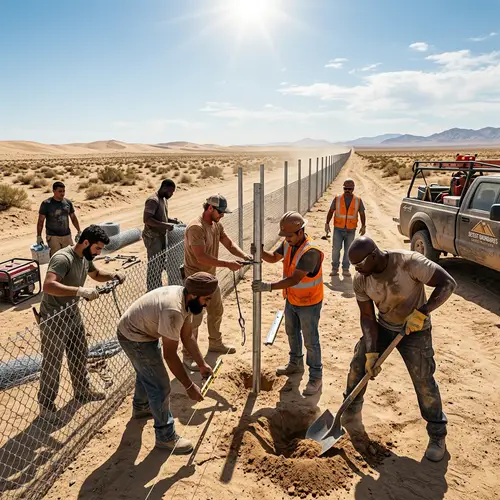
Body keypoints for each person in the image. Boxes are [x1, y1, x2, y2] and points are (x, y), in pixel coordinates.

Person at [342, 236, 457, 462]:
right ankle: (350, 412)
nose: (358, 271)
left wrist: (423, 311)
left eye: (360, 265)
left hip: (416, 330)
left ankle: (437, 434)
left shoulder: (410, 262)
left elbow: (448, 283)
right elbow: (366, 317)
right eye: (354, 267)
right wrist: (372, 351)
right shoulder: (361, 280)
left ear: (374, 255)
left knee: (423, 380)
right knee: (358, 364)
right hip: (384, 325)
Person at [117, 272, 218, 454]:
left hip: (144, 331)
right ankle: (165, 437)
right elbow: (170, 355)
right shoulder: (174, 310)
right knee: (161, 385)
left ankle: (141, 408)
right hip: (133, 335)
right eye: (206, 299)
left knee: (147, 372)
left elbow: (187, 337)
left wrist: (202, 364)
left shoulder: (187, 301)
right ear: (194, 295)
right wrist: (189, 386)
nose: (207, 304)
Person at [38, 225, 126, 424]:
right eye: (97, 248)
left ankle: (82, 391)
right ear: (86, 243)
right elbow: (49, 285)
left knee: (79, 354)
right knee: (52, 362)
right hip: (53, 317)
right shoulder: (63, 258)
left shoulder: (86, 258)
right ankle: (46, 405)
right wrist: (79, 291)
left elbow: (95, 275)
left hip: (72, 314)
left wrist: (113, 275)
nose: (99, 252)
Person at [252, 211, 324, 396]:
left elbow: (294, 279)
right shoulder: (288, 243)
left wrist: (268, 287)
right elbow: (273, 258)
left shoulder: (311, 252)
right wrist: (260, 251)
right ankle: (295, 364)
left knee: (310, 340)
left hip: (309, 302)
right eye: (284, 236)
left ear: (300, 232)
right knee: (291, 332)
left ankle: (316, 377)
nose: (287, 239)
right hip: (292, 299)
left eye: (290, 236)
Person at [182, 194, 252, 371]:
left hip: (211, 279)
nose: (222, 215)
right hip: (196, 281)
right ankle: (188, 356)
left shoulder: (216, 224)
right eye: (220, 212)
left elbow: (228, 243)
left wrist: (243, 256)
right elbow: (201, 256)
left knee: (216, 310)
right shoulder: (195, 228)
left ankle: (215, 343)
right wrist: (227, 264)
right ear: (210, 208)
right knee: (195, 319)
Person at [142, 179, 180, 291]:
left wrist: (173, 221)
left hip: (161, 236)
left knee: (160, 264)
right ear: (163, 188)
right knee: (154, 265)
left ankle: (156, 287)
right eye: (170, 192)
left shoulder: (163, 199)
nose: (171, 194)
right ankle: (152, 289)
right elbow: (147, 219)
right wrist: (166, 226)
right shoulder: (153, 200)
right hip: (153, 237)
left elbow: (162, 217)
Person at [324, 178, 366, 277]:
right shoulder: (337, 198)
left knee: (348, 250)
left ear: (353, 189)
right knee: (336, 249)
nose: (347, 190)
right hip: (338, 228)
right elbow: (331, 211)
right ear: (343, 188)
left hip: (351, 229)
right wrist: (327, 223)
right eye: (346, 188)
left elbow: (362, 213)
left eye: (350, 189)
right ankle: (335, 268)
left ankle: (345, 269)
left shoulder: (358, 200)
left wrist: (364, 226)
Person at [37, 181, 81, 256]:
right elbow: (41, 221)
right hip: (53, 236)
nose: (62, 193)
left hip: (66, 235)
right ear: (54, 191)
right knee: (56, 258)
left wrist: (79, 231)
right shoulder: (46, 204)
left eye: (64, 191)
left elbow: (73, 218)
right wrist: (39, 236)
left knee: (71, 256)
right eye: (60, 191)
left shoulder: (67, 203)